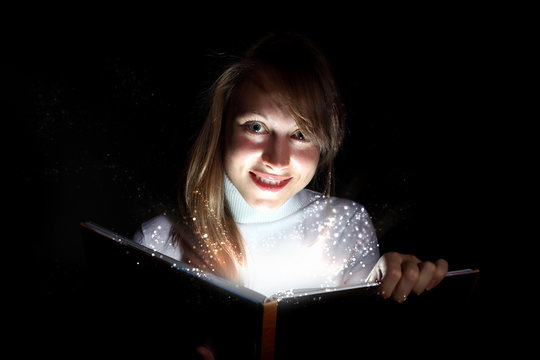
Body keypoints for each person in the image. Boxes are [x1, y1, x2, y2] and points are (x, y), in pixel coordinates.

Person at [133, 32, 448, 305]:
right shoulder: (157, 240)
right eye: (256, 127)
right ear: (222, 126)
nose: (277, 159)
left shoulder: (346, 227)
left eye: (300, 135)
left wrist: (386, 294)